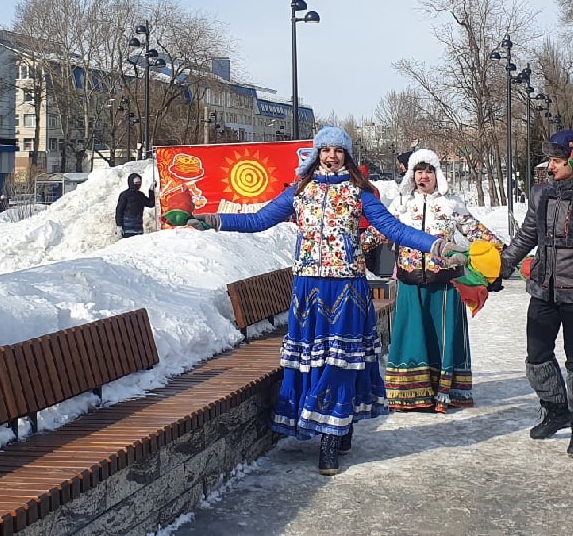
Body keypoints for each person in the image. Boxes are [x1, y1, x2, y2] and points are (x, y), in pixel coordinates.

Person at [191, 126, 462, 475]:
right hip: (309, 290)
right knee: (315, 362)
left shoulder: (359, 192)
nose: (331, 156)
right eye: (325, 150)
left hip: (347, 290)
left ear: (346, 155)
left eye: (338, 150)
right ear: (316, 154)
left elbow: (394, 229)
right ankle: (338, 423)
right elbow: (259, 219)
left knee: (339, 363)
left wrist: (435, 245)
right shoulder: (300, 191)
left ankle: (331, 438)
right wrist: (213, 220)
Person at [500, 129, 573, 459]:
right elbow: (527, 236)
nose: (550, 167)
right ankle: (556, 409)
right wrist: (502, 266)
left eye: (557, 161)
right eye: (549, 160)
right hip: (543, 287)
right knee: (536, 356)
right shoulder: (540, 194)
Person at [384, 149, 498, 413]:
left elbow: (477, 232)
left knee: (441, 339)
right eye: (419, 171)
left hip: (444, 284)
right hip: (410, 282)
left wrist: (504, 255)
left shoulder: (451, 204)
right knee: (411, 338)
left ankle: (444, 393)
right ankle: (410, 395)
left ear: (438, 175)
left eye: (429, 171)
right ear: (411, 175)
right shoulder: (401, 205)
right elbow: (379, 231)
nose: (424, 177)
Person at [115, 172, 154, 237]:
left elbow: (150, 203)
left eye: (139, 182)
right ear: (131, 182)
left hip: (138, 228)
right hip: (126, 229)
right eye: (136, 182)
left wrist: (151, 191)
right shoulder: (124, 195)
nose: (138, 184)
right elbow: (119, 210)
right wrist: (119, 225)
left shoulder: (141, 195)